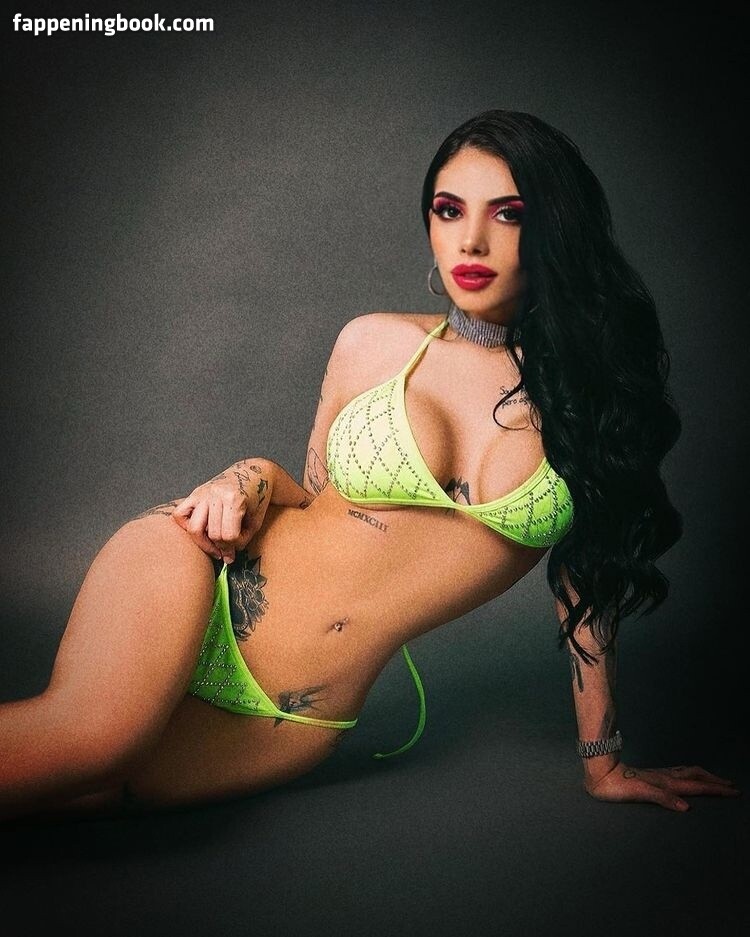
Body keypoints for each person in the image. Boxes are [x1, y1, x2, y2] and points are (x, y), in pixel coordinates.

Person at [0, 109, 740, 823]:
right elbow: (308, 498)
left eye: (508, 214)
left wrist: (602, 763)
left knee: (78, 799)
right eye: (449, 210)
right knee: (90, 743)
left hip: (298, 713)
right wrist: (241, 477)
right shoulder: (373, 343)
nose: (471, 240)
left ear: (556, 228)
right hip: (206, 570)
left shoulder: (590, 411)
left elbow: (589, 588)